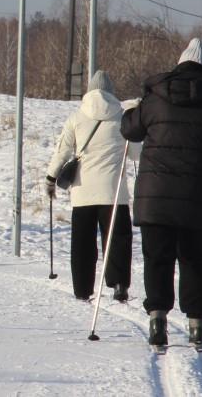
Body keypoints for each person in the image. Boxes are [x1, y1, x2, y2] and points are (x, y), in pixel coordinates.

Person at [121, 37, 202, 348]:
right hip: (197, 196)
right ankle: (196, 324)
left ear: (179, 64)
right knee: (194, 258)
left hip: (156, 196)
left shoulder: (154, 98)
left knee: (157, 257)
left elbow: (130, 130)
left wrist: (130, 110)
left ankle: (157, 320)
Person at [46, 70, 138, 302]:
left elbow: (62, 151)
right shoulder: (123, 117)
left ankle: (82, 289)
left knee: (83, 244)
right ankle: (119, 285)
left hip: (83, 192)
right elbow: (136, 153)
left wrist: (50, 178)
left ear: (89, 90)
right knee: (117, 240)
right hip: (113, 193)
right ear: (111, 92)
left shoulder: (76, 117)